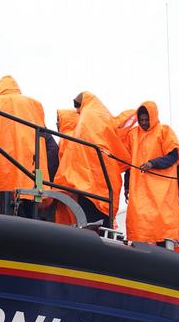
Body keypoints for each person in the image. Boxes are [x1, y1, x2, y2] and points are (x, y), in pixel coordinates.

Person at [54, 91, 130, 227]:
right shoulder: (102, 115)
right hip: (104, 177)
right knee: (99, 218)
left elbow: (77, 153)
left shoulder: (86, 119)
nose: (77, 111)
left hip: (88, 180)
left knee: (89, 217)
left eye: (77, 107)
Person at [0, 75, 50, 212]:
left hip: (9, 160)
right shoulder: (35, 104)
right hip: (36, 161)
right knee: (34, 200)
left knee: (9, 199)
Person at [123, 101, 179, 245]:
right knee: (139, 226)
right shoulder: (132, 135)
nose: (144, 123)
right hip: (139, 190)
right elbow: (127, 163)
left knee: (162, 228)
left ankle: (164, 258)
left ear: (153, 116)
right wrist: (126, 187)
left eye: (147, 119)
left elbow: (173, 156)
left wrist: (152, 163)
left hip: (161, 191)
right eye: (141, 119)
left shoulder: (164, 131)